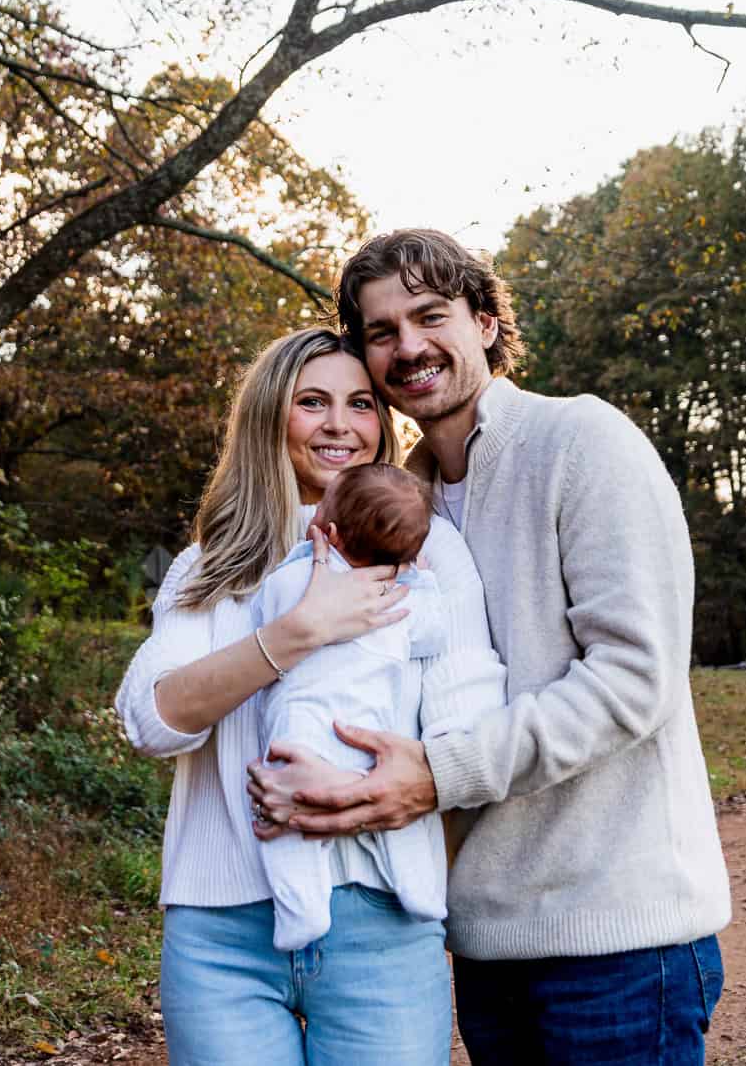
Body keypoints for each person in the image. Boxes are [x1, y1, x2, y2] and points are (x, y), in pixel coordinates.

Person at [250, 229, 732, 1066]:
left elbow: (633, 679)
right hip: (481, 944)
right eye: (381, 331)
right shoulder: (404, 506)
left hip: (615, 941)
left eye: (431, 315)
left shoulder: (582, 442)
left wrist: (437, 772)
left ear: (483, 320)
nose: (408, 346)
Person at [114, 327, 496, 1066]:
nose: (339, 425)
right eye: (311, 402)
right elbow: (151, 720)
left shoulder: (429, 552)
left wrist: (345, 790)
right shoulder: (210, 564)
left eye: (360, 404)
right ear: (268, 417)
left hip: (382, 917)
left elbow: (467, 722)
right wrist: (294, 632)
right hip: (221, 933)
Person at [251, 463, 504, 952]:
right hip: (370, 736)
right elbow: (434, 633)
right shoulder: (399, 602)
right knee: (397, 826)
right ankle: (421, 892)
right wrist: (422, 584)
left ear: (330, 531)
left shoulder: (300, 578)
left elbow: (268, 616)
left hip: (303, 727)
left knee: (286, 822)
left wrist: (306, 556)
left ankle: (300, 910)